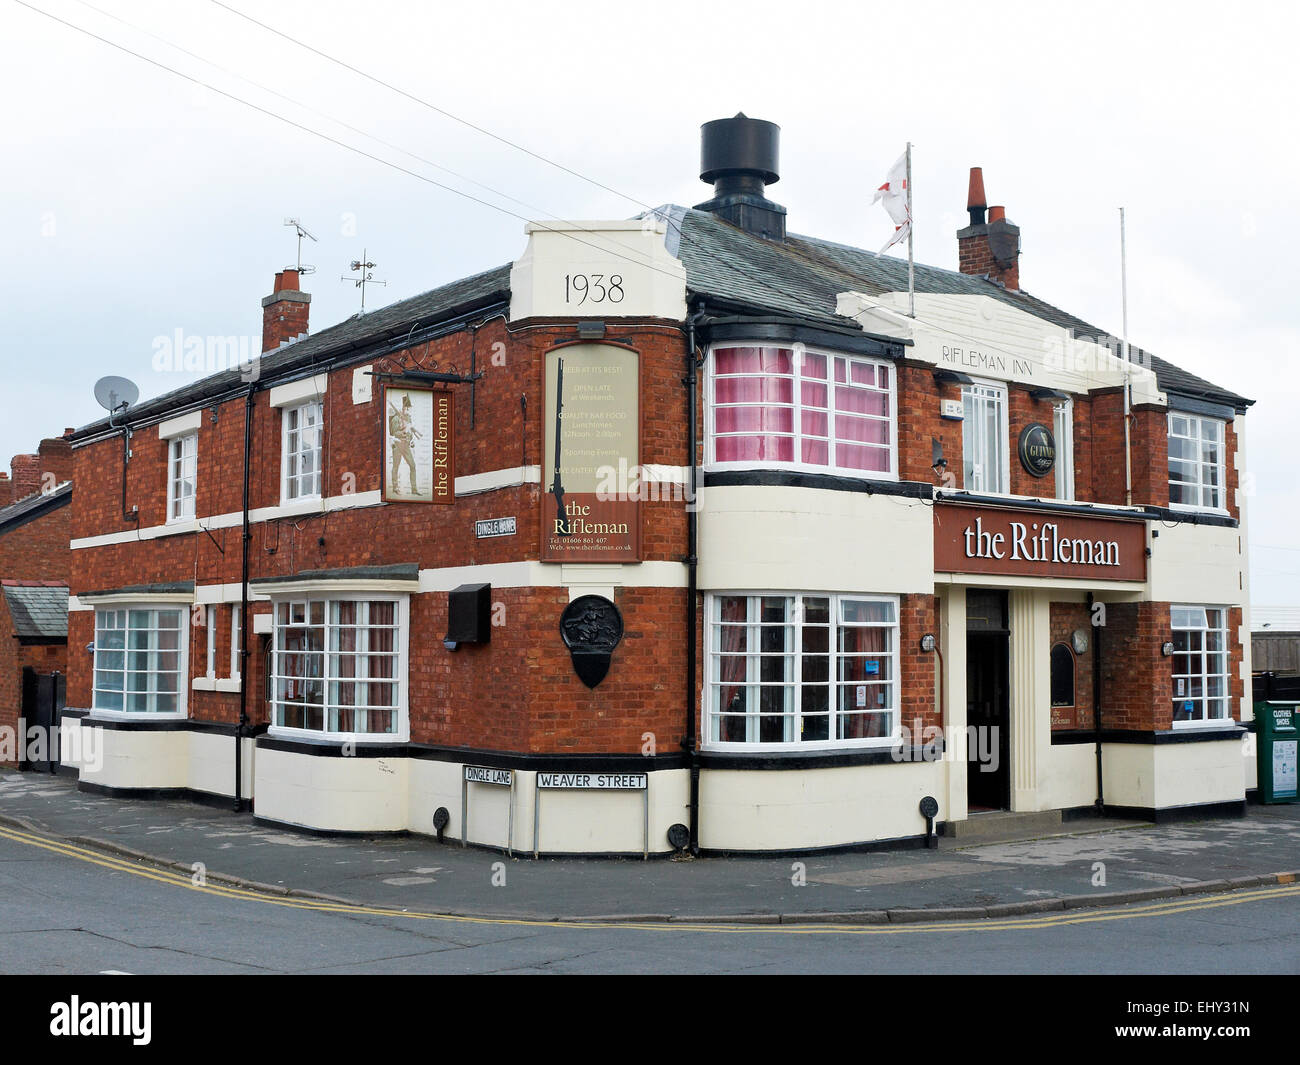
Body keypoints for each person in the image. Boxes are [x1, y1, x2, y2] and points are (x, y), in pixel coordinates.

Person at [389, 393, 420, 496]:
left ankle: (414, 489)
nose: (408, 410)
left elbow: (410, 432)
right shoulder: (396, 419)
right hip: (398, 445)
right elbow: (394, 433)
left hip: (405, 445)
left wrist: (410, 438)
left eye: (409, 408)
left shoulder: (408, 419)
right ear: (403, 408)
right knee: (396, 467)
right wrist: (404, 432)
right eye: (407, 408)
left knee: (413, 466)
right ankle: (395, 488)